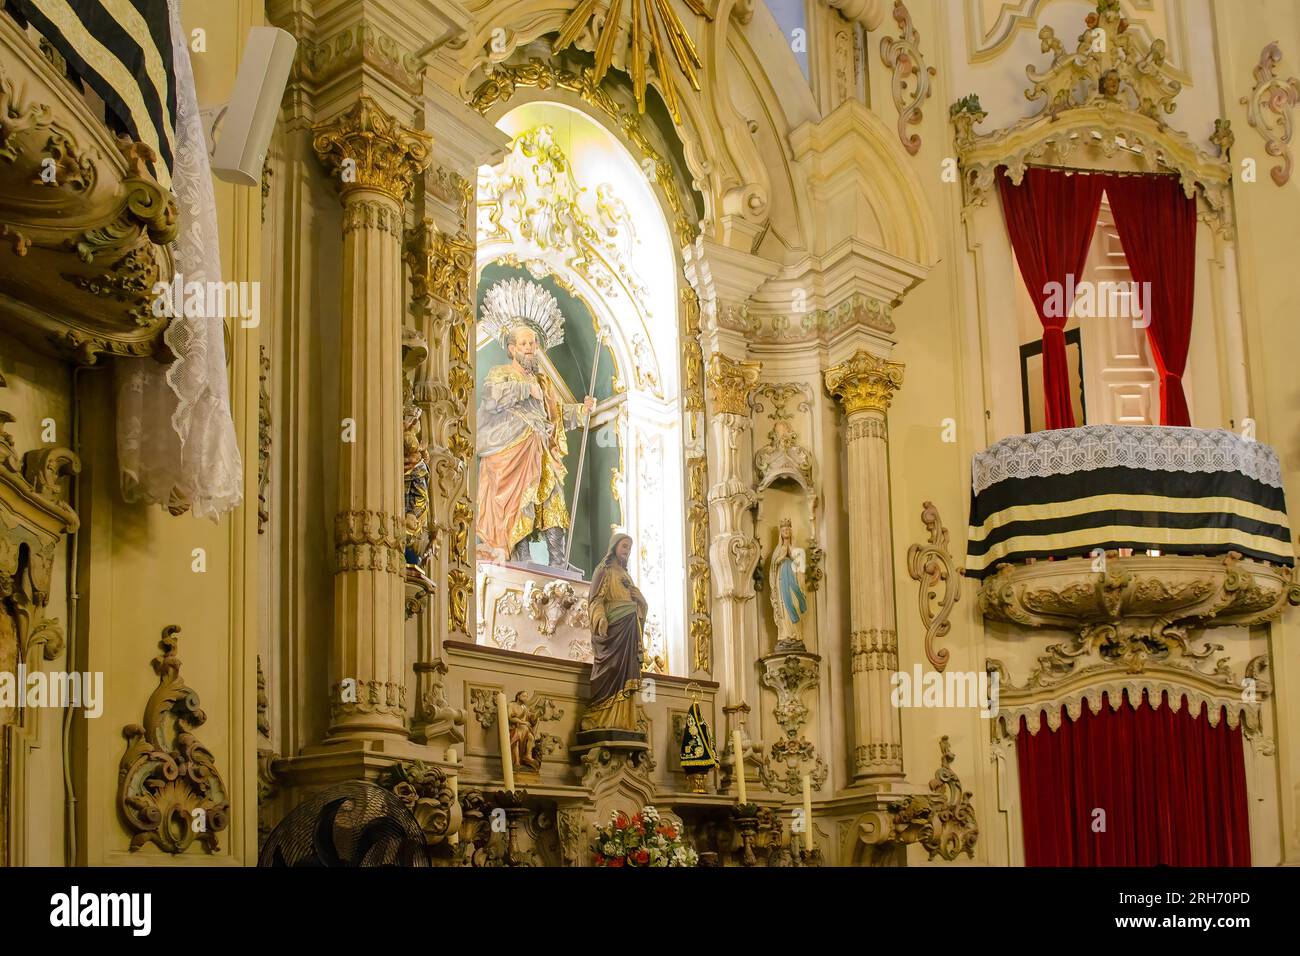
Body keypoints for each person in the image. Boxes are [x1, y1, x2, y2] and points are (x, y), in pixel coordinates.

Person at [475, 319, 594, 566]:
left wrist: (582, 410)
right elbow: (491, 398)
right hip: (511, 451)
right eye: (523, 343)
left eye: (532, 343)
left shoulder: (543, 382)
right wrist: (524, 391)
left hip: (540, 450)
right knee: (520, 503)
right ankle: (521, 558)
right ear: (512, 349)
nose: (529, 347)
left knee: (553, 500)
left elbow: (556, 414)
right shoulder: (501, 373)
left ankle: (558, 562)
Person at [583, 533, 647, 734]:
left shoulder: (626, 575)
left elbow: (638, 607)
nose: (626, 551)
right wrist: (600, 618)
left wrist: (642, 602)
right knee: (610, 671)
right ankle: (602, 717)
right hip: (614, 632)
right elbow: (595, 600)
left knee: (626, 673)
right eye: (624, 546)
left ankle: (625, 720)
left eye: (629, 548)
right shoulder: (605, 570)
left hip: (628, 631)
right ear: (614, 547)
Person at [769, 519, 807, 650]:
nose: (786, 532)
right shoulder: (778, 550)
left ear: (791, 532)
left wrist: (792, 556)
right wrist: (781, 556)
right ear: (781, 533)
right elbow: (773, 567)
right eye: (783, 530)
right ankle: (786, 635)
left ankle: (796, 635)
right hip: (782, 584)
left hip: (793, 582)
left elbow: (801, 567)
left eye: (788, 529)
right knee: (784, 609)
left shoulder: (796, 549)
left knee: (795, 604)